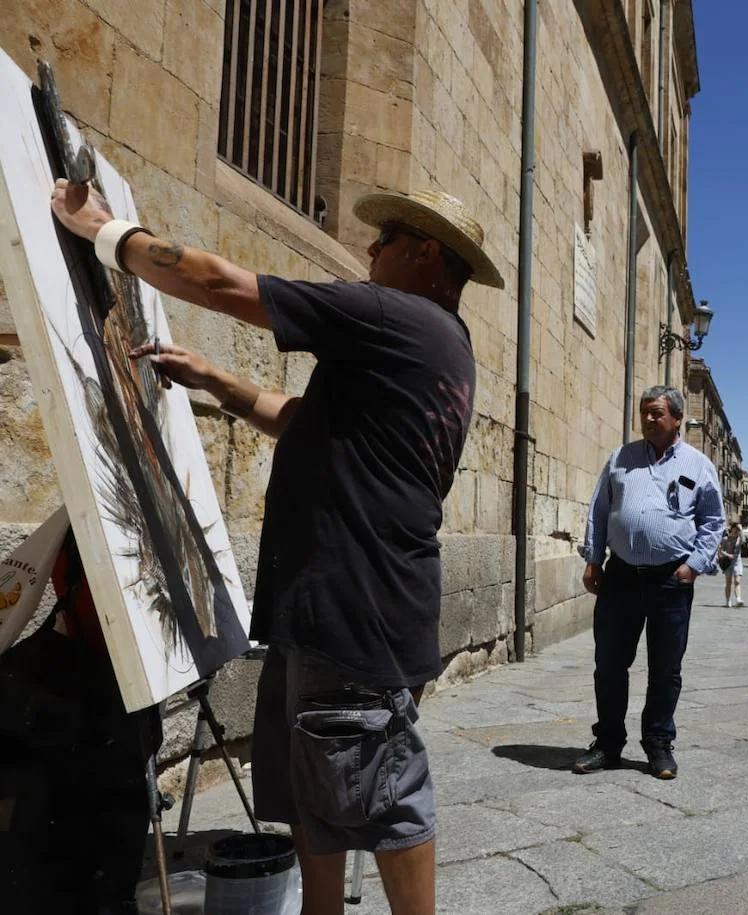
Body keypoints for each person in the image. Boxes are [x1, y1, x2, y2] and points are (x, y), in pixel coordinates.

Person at [52, 177, 504, 914]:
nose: (368, 248)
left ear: (425, 254)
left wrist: (105, 231)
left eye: (384, 239)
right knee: (313, 793)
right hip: (329, 606)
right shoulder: (438, 344)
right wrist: (216, 380)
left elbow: (222, 282)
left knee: (388, 797)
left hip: (357, 609)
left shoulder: (399, 317)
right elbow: (306, 420)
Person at [576, 386, 725, 779]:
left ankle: (658, 744)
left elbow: (713, 520)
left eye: (656, 413)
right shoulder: (620, 459)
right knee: (608, 664)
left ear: (676, 418)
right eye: (644, 413)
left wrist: (693, 566)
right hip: (621, 576)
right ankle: (608, 744)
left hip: (670, 580)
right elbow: (599, 509)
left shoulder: (698, 465)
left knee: (665, 669)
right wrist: (594, 559)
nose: (648, 419)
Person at [717, 522, 745, 608]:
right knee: (728, 582)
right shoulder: (725, 539)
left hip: (737, 562)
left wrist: (741, 530)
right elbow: (720, 550)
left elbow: (744, 540)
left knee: (737, 581)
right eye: (735, 528)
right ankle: (728, 600)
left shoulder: (739, 539)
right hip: (727, 563)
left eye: (738, 529)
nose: (737, 530)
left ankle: (738, 599)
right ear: (732, 528)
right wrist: (725, 555)